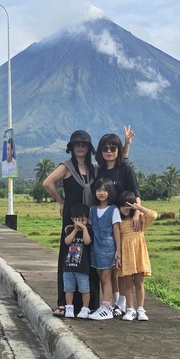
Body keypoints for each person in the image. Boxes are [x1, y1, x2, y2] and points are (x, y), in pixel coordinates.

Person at [43, 130, 98, 317]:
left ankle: (89, 304)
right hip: (72, 219)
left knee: (89, 257)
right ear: (72, 147)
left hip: (90, 219)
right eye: (77, 144)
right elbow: (48, 183)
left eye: (84, 144)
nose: (80, 147)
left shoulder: (94, 168)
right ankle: (64, 304)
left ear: (89, 148)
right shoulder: (66, 167)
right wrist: (61, 201)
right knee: (68, 258)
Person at [95, 131, 142, 318]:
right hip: (104, 223)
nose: (109, 151)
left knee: (121, 265)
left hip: (124, 222)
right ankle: (114, 301)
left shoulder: (126, 170)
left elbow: (136, 192)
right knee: (108, 265)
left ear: (118, 150)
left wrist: (137, 213)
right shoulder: (99, 171)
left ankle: (122, 303)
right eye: (105, 147)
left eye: (113, 147)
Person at [117, 191, 157, 321]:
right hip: (126, 257)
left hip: (139, 255)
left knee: (139, 283)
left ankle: (141, 309)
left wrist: (139, 209)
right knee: (127, 284)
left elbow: (153, 215)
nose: (126, 208)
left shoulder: (140, 221)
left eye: (129, 205)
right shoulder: (119, 223)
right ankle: (130, 309)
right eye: (123, 205)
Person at [88, 177, 122, 321]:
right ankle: (107, 304)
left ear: (110, 192)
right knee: (102, 277)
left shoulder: (113, 210)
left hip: (108, 248)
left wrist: (118, 250)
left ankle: (107, 307)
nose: (102, 193)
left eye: (105, 190)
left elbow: (116, 230)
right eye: (99, 190)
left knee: (107, 277)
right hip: (95, 247)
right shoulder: (92, 209)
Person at [62, 204, 93, 319]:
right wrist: (75, 229)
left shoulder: (89, 230)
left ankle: (85, 308)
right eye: (76, 219)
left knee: (84, 289)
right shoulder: (70, 229)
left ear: (87, 220)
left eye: (82, 220)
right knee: (69, 288)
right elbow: (67, 241)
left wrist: (84, 228)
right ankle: (69, 307)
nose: (79, 222)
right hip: (69, 265)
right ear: (72, 219)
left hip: (82, 267)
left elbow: (87, 242)